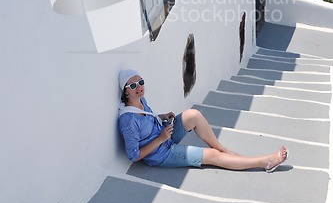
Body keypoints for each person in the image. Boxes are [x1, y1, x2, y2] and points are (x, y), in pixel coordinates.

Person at [118, 69, 289, 172]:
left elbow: (147, 122)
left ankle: (224, 150)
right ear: (125, 91)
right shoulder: (127, 120)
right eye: (133, 86)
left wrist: (161, 117)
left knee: (193, 115)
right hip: (160, 154)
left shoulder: (141, 102)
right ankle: (264, 162)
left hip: (164, 135)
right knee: (212, 156)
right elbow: (134, 156)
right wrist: (161, 139)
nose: (139, 87)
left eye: (140, 82)